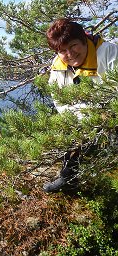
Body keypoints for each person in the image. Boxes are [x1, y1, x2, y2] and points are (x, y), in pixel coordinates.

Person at [43, 18, 118, 193]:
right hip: (83, 120)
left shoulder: (109, 53)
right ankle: (68, 178)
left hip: (111, 118)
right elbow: (59, 99)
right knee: (66, 130)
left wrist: (100, 120)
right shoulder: (58, 65)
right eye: (62, 51)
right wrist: (78, 123)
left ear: (84, 40)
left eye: (73, 46)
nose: (69, 54)